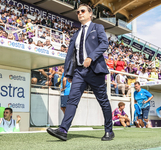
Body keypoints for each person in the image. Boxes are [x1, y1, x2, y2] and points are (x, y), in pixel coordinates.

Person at [47, 4, 114, 141]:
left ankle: (109, 130)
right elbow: (70, 55)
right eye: (77, 12)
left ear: (90, 14)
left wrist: (91, 57)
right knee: (72, 100)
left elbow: (104, 44)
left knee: (103, 101)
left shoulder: (97, 27)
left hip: (95, 70)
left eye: (82, 11)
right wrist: (69, 73)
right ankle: (63, 130)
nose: (79, 13)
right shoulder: (76, 34)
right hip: (79, 71)